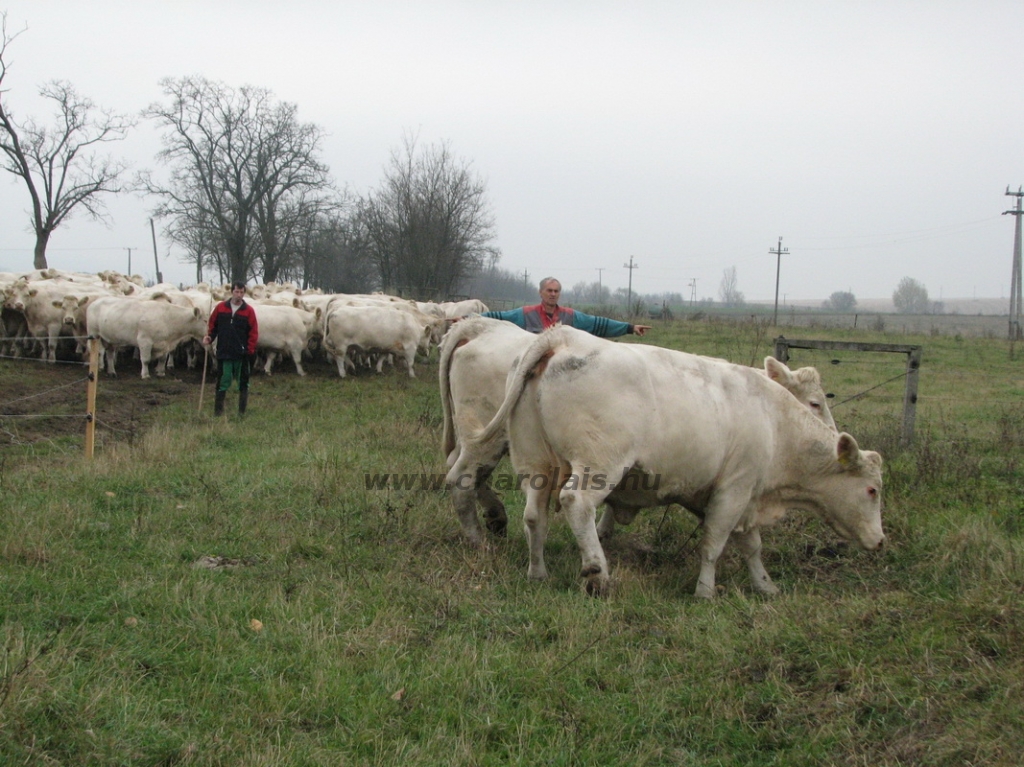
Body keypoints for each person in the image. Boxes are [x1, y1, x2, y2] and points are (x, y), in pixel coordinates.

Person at [479, 277, 652, 337]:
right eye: (549, 290)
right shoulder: (525, 314)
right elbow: (497, 318)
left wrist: (630, 328)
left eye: (556, 291)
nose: (553, 294)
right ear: (541, 292)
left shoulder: (570, 316)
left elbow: (599, 324)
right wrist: (468, 319)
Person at [203, 281, 259, 416]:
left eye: (241, 292)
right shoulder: (221, 308)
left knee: (243, 383)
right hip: (224, 351)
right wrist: (209, 337)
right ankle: (218, 412)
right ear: (231, 292)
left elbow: (253, 332)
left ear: (244, 293)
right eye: (236, 291)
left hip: (242, 353)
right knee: (223, 381)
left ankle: (241, 412)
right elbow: (213, 325)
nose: (239, 295)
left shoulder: (249, 311)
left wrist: (249, 350)